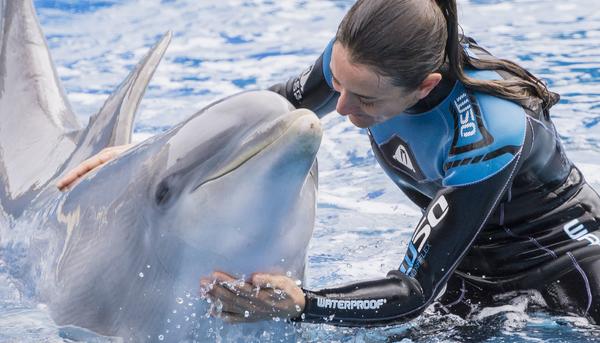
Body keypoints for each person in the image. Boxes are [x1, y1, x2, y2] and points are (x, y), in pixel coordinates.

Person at [58, 0, 600, 326]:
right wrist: (147, 149)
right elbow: (264, 118)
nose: (338, 108)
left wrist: (305, 304)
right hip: (469, 269)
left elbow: (412, 293)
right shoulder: (364, 62)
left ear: (424, 88)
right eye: (336, 82)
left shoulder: (487, 134)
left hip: (565, 278)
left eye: (363, 99)